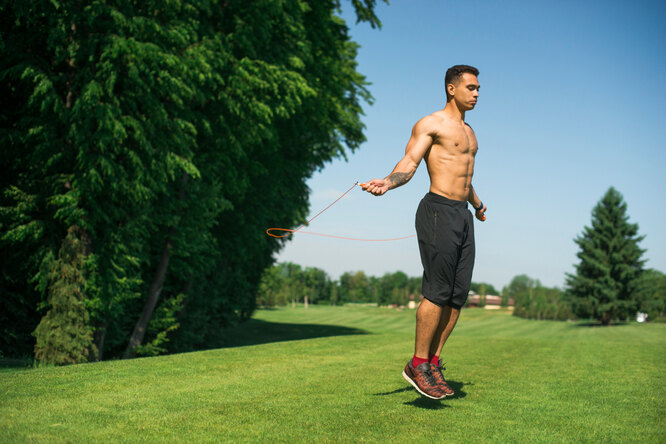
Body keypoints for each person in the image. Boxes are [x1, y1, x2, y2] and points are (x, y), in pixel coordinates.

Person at [362, 65, 486, 400]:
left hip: (462, 215)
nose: (476, 94)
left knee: (458, 296)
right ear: (451, 88)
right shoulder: (430, 124)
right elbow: (410, 162)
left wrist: (476, 203)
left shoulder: (471, 132)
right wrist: (388, 182)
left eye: (479, 89)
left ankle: (432, 363)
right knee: (437, 291)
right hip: (437, 210)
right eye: (471, 88)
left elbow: (464, 176)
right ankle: (416, 364)